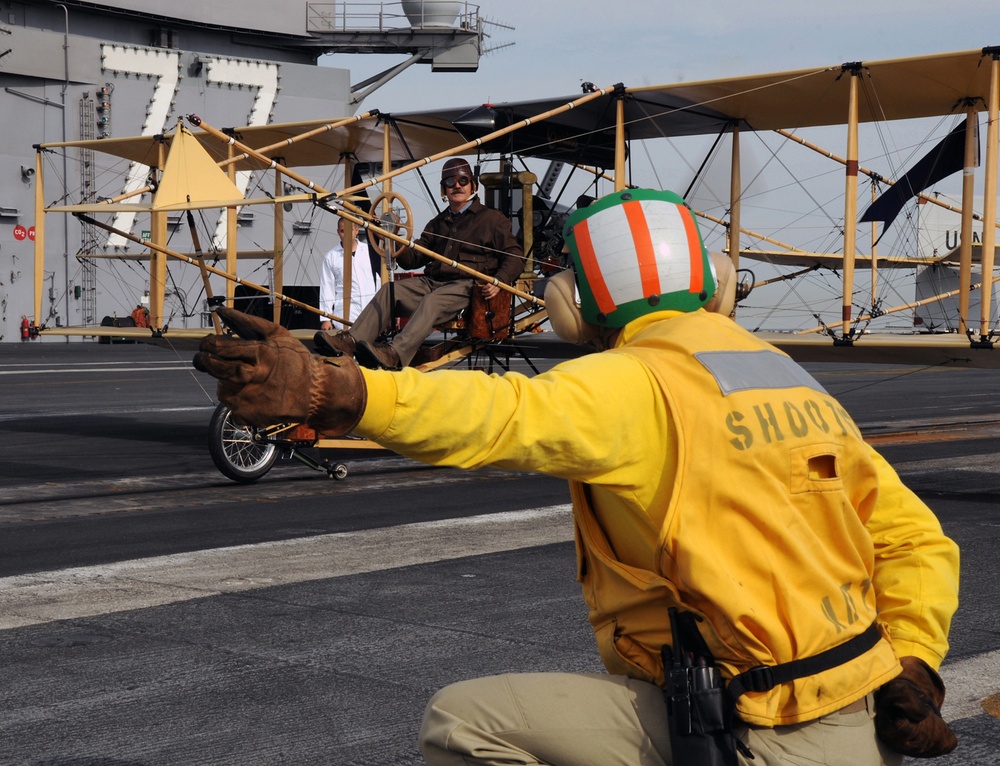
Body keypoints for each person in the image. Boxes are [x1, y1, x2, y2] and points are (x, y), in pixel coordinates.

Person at [194, 188, 959, 766]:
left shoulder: (639, 382)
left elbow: (502, 414)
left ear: (571, 305)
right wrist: (916, 666)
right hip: (869, 716)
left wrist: (345, 391)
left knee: (463, 724)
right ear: (716, 282)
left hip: (752, 729)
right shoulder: (792, 382)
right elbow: (915, 540)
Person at [315, 157, 523, 370]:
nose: (457, 186)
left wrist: (499, 281)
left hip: (467, 287)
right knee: (390, 290)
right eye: (450, 182)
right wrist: (392, 235)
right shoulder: (438, 223)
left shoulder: (492, 220)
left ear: (473, 185)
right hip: (433, 283)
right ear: (444, 189)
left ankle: (394, 353)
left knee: (432, 302)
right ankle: (351, 342)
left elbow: (515, 256)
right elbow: (413, 259)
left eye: (463, 180)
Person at [318, 217, 381, 331]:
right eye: (343, 231)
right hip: (345, 316)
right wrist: (326, 318)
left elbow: (379, 282)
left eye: (350, 230)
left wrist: (389, 309)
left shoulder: (370, 252)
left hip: (372, 312)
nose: (346, 234)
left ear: (357, 230)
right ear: (338, 232)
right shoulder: (331, 257)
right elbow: (327, 288)